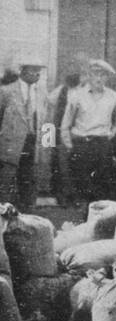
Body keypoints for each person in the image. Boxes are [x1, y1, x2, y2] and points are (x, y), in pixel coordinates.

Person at [60, 60, 116, 206]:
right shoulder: (77, 95)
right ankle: (84, 221)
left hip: (102, 145)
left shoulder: (113, 96)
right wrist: (70, 145)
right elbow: (66, 124)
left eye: (103, 75)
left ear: (107, 77)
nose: (99, 79)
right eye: (95, 74)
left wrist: (111, 133)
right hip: (81, 144)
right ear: (89, 75)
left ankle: (98, 221)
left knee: (102, 186)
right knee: (82, 187)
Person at [0, 59, 48, 210]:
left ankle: (28, 216)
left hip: (33, 145)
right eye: (33, 70)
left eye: (39, 71)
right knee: (6, 186)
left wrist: (47, 148)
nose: (37, 74)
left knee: (29, 184)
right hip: (10, 147)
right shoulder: (6, 91)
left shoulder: (41, 93)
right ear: (22, 71)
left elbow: (47, 121)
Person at [51, 69, 81, 204]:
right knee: (61, 165)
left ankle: (75, 196)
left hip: (77, 133)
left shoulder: (83, 92)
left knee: (76, 165)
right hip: (60, 133)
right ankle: (62, 195)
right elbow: (49, 108)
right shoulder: (60, 91)